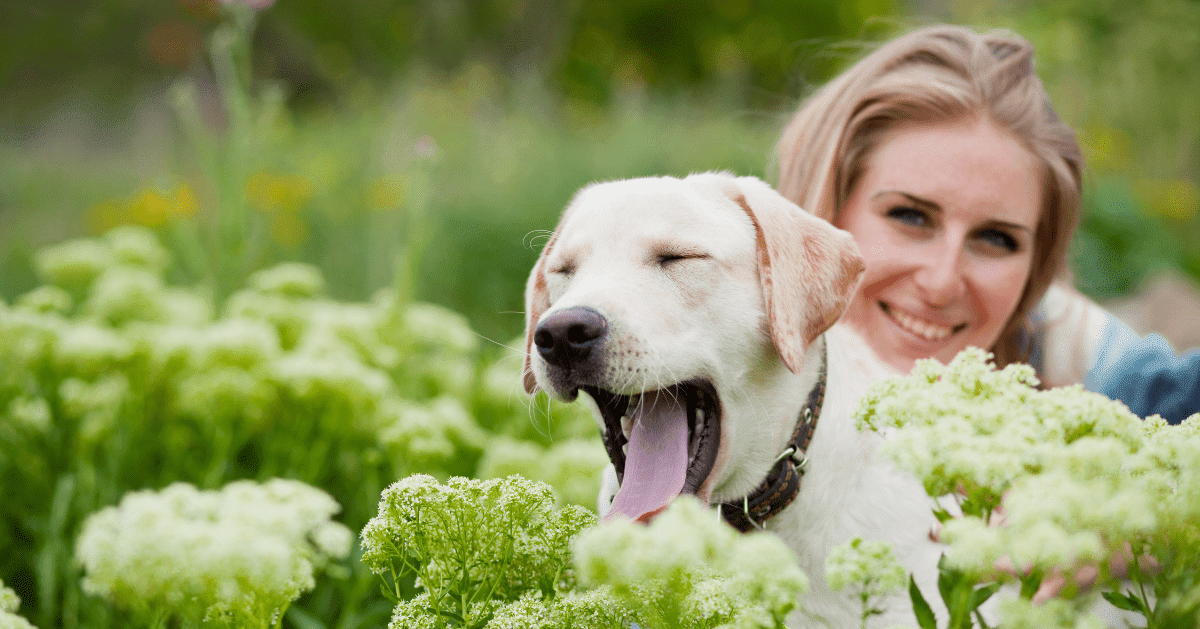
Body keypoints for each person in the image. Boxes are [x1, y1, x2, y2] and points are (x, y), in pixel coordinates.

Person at [773, 24, 1199, 424]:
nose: (942, 284)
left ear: (1036, 270)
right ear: (825, 207)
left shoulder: (1064, 349)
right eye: (910, 216)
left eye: (996, 239)